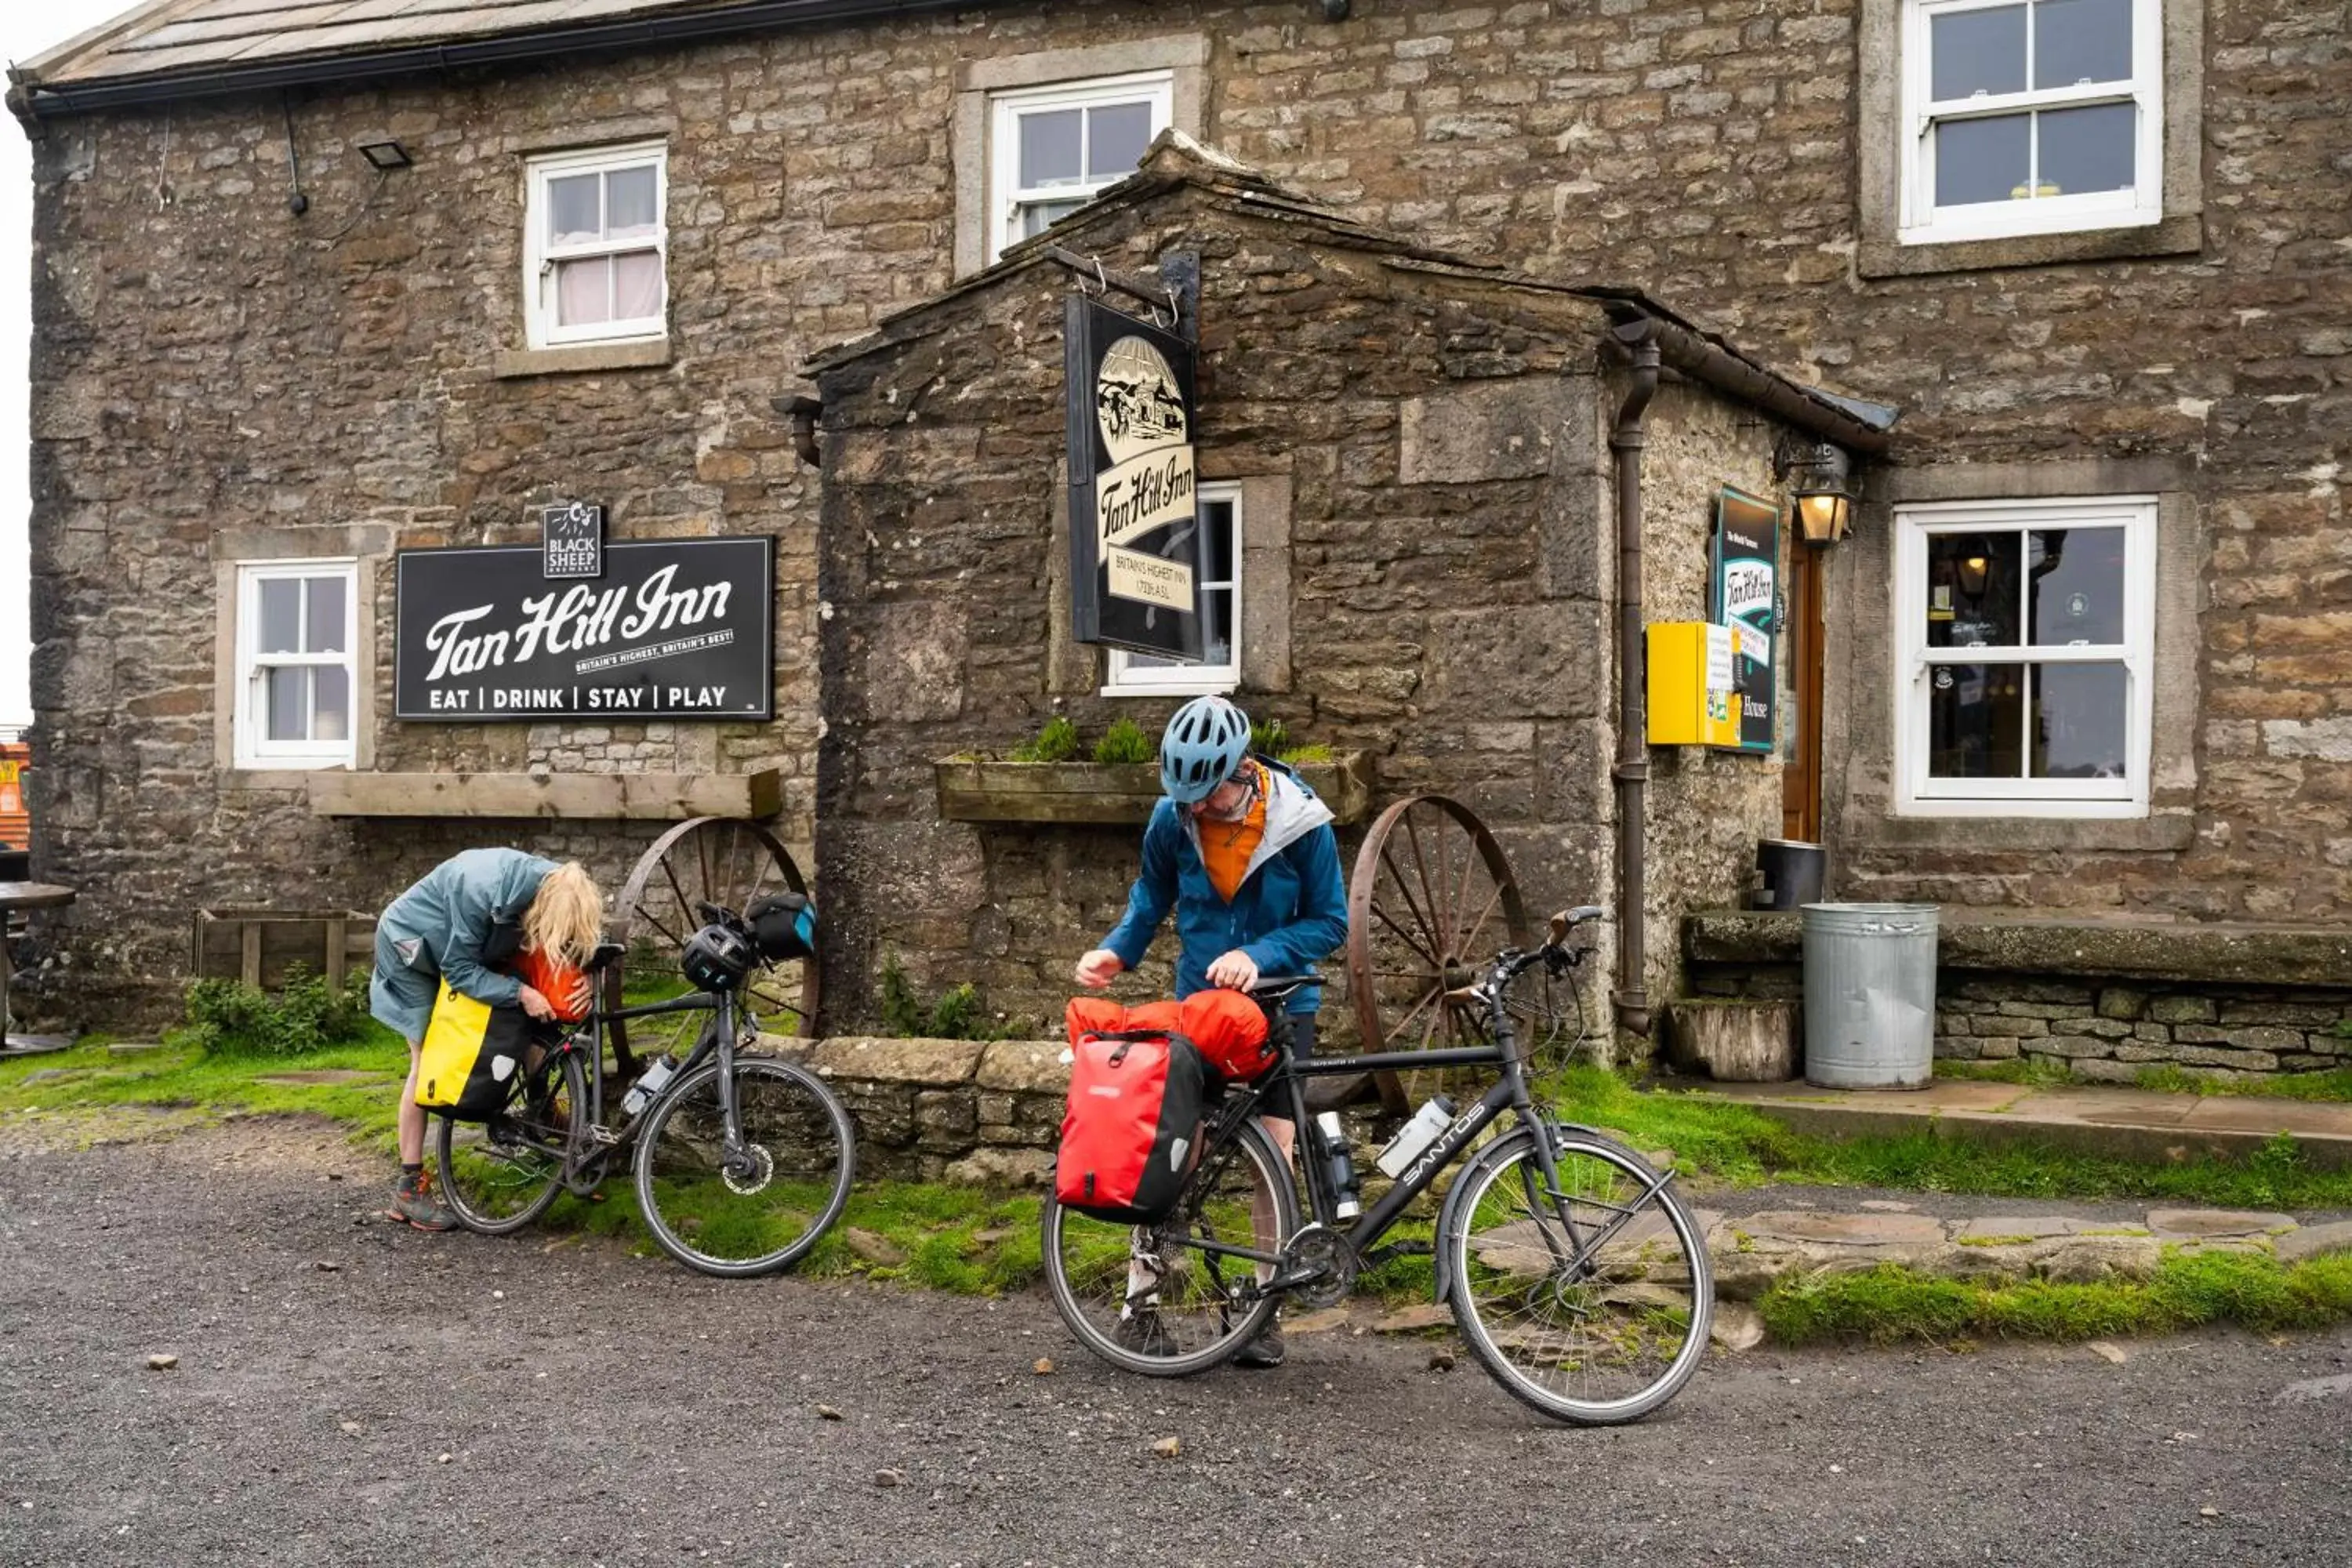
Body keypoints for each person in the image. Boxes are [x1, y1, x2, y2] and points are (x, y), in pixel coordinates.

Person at [1075, 695, 1347, 1369]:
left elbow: (1330, 923)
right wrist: (1118, 951)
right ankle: (1141, 1306)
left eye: (1207, 795)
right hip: (1199, 1003)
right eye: (1184, 796)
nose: (1194, 808)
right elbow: (1151, 896)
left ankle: (1263, 1309)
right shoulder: (1172, 816)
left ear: (1243, 770)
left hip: (1284, 1004)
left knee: (1275, 1157)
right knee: (1171, 1146)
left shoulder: (1300, 823)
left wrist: (1261, 956)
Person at [368, 849, 604, 1231]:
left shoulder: (565, 887)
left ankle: (540, 1111)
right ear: (539, 908)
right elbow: (459, 968)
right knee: (427, 1060)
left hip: (477, 943)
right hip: (411, 948)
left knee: (530, 1020)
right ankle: (409, 1189)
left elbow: (581, 936)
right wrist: (519, 993)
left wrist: (589, 975)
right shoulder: (479, 889)